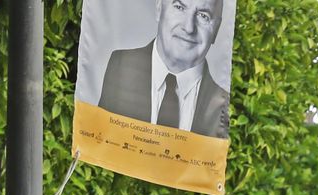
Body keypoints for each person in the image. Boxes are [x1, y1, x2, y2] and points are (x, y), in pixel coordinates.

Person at [97, 0, 230, 139]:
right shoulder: (120, 66)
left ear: (216, 29)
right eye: (179, 7)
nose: (189, 27)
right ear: (159, 8)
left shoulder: (223, 103)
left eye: (203, 16)